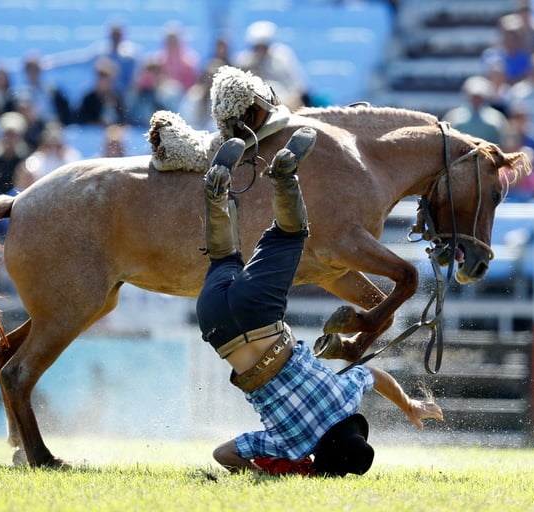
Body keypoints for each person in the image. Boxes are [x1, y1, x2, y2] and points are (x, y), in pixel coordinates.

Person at [197, 130, 443, 476]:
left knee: (291, 233)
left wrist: (409, 406)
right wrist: (261, 476)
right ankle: (215, 195)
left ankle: (284, 176)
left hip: (261, 318)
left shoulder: (345, 398)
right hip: (215, 326)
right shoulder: (289, 445)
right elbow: (223, 453)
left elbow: (374, 375)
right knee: (223, 257)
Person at [235, 20, 308, 108]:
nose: (260, 50)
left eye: (263, 46)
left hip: (283, 104)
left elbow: (298, 87)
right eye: (257, 46)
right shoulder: (244, 60)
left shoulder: (282, 57)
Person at [442, 76, 508, 144]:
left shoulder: (497, 119)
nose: (476, 100)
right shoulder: (454, 117)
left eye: (479, 97)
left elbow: (504, 142)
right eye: (474, 97)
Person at [76, 57, 124, 126]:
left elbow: (123, 120)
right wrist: (97, 122)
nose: (104, 84)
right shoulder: (89, 98)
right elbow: (82, 119)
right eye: (102, 80)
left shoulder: (117, 97)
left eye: (108, 81)